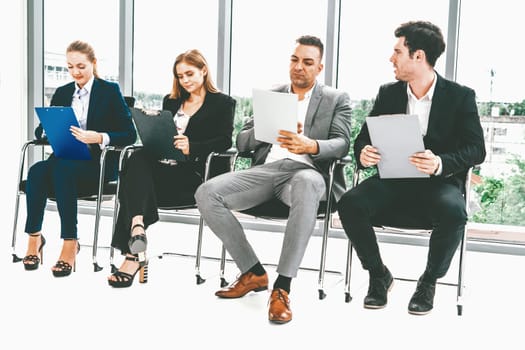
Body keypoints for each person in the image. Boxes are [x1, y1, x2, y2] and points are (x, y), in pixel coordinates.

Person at [195, 35, 352, 324]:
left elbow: (343, 144)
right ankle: (253, 271)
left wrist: (310, 145)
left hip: (307, 172)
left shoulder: (335, 98)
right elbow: (242, 143)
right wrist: (268, 128)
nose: (299, 67)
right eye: (295, 60)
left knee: (306, 183)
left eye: (307, 62)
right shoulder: (273, 95)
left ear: (319, 68)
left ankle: (282, 288)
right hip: (267, 171)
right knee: (206, 193)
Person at [337, 21, 486, 315]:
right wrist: (363, 153)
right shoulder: (388, 93)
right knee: (349, 203)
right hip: (392, 182)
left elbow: (476, 149)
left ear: (418, 56)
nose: (391, 58)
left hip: (438, 185)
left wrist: (441, 162)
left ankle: (429, 281)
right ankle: (378, 274)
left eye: (397, 52)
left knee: (455, 213)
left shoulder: (461, 96)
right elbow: (364, 138)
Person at [107, 49, 236, 288]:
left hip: (192, 176)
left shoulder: (223, 103)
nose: (185, 80)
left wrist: (192, 147)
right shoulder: (172, 101)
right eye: (180, 76)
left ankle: (133, 254)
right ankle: (137, 226)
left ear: (203, 70)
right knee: (137, 156)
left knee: (132, 183)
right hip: (163, 170)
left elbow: (225, 141)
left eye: (189, 74)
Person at [22, 40, 137, 277]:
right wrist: (46, 130)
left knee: (62, 170)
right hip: (64, 159)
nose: (76, 72)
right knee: (36, 171)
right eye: (70, 67)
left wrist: (98, 137)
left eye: (81, 66)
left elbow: (129, 135)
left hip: (97, 165)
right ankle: (34, 239)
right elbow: (41, 131)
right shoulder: (63, 92)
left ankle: (70, 243)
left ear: (93, 64)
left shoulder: (109, 91)